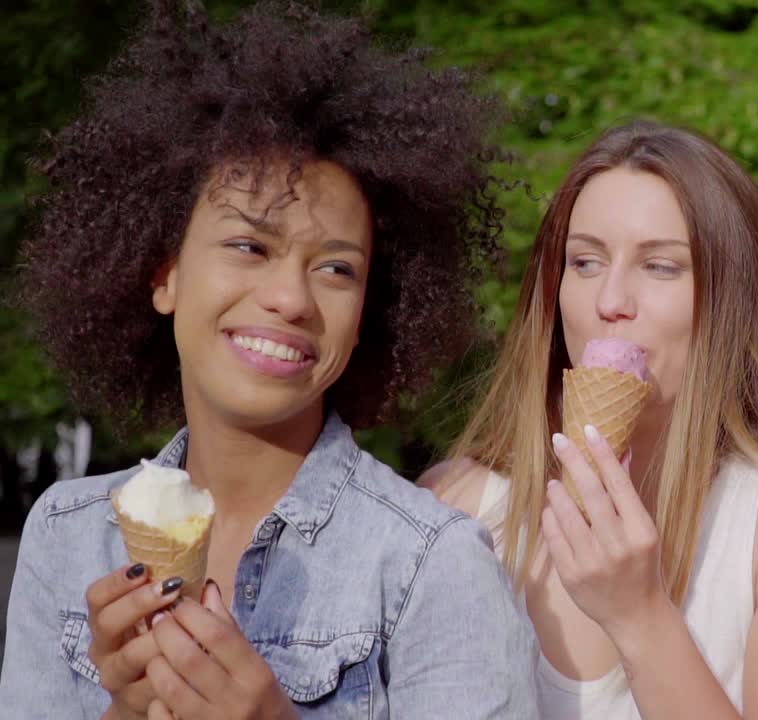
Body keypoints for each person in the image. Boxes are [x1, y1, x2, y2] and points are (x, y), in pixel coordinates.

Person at [0, 2, 538, 717]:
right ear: (164, 275)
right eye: (250, 247)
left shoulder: (430, 563)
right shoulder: (63, 533)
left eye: (337, 269)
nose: (290, 298)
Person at [421, 120, 758, 719]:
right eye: (584, 262)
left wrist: (640, 618)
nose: (610, 300)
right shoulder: (454, 507)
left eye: (660, 267)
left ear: (731, 304)